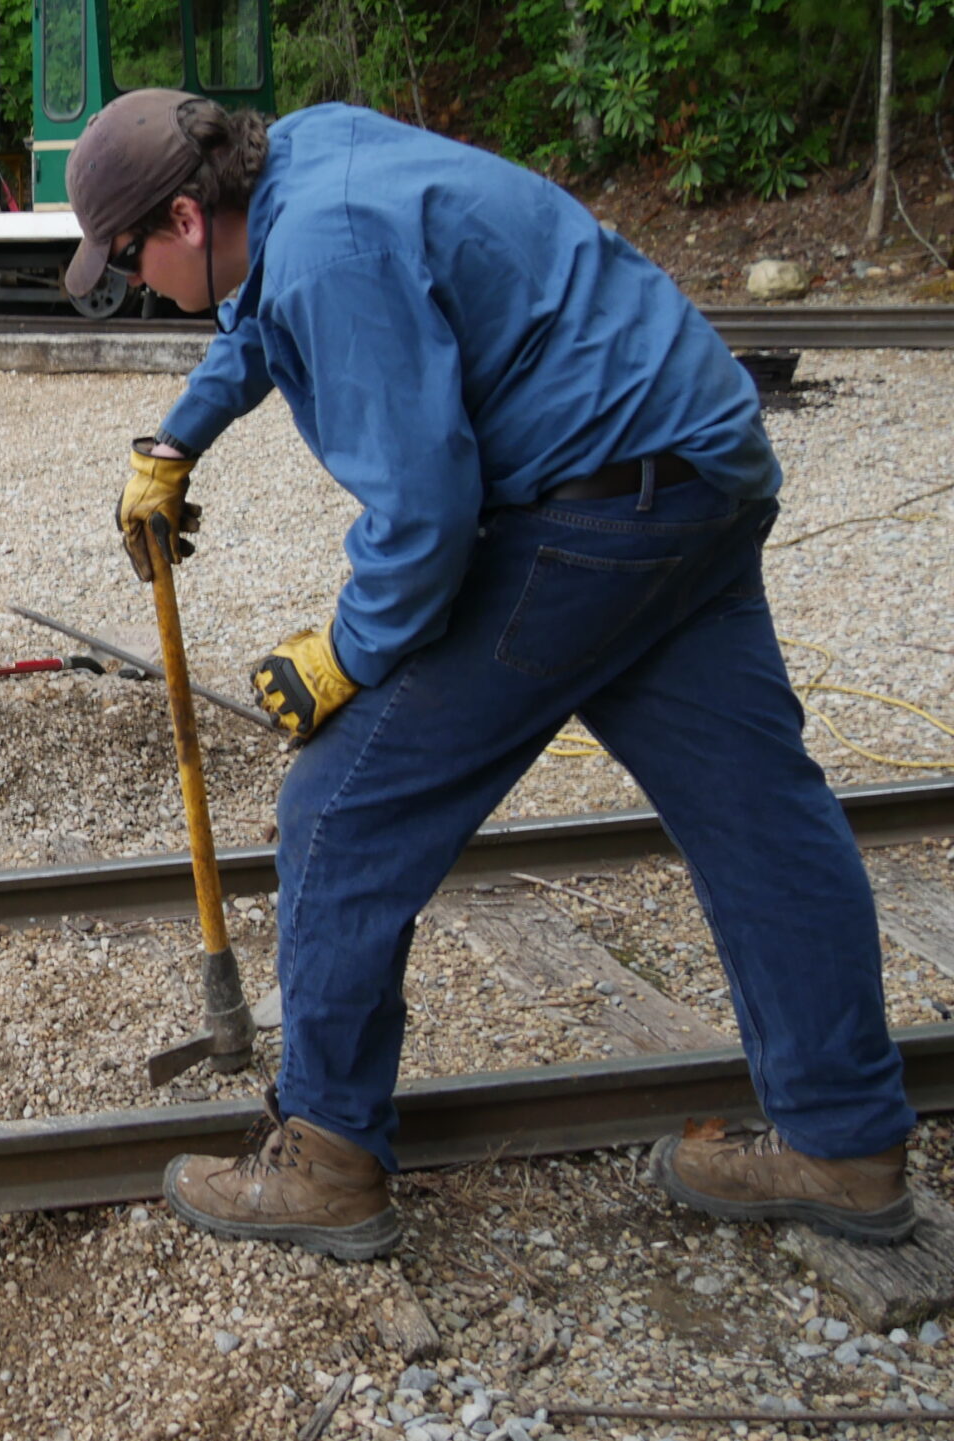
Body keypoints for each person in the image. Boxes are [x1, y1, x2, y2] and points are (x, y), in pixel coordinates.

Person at [61, 90, 918, 1258]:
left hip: (596, 512)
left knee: (341, 807)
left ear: (183, 215)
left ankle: (325, 1157)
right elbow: (261, 321)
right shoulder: (302, 156)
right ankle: (845, 1141)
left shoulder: (324, 249)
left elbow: (424, 516)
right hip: (698, 466)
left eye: (127, 258)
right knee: (760, 818)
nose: (131, 283)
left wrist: (342, 655)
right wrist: (177, 436)